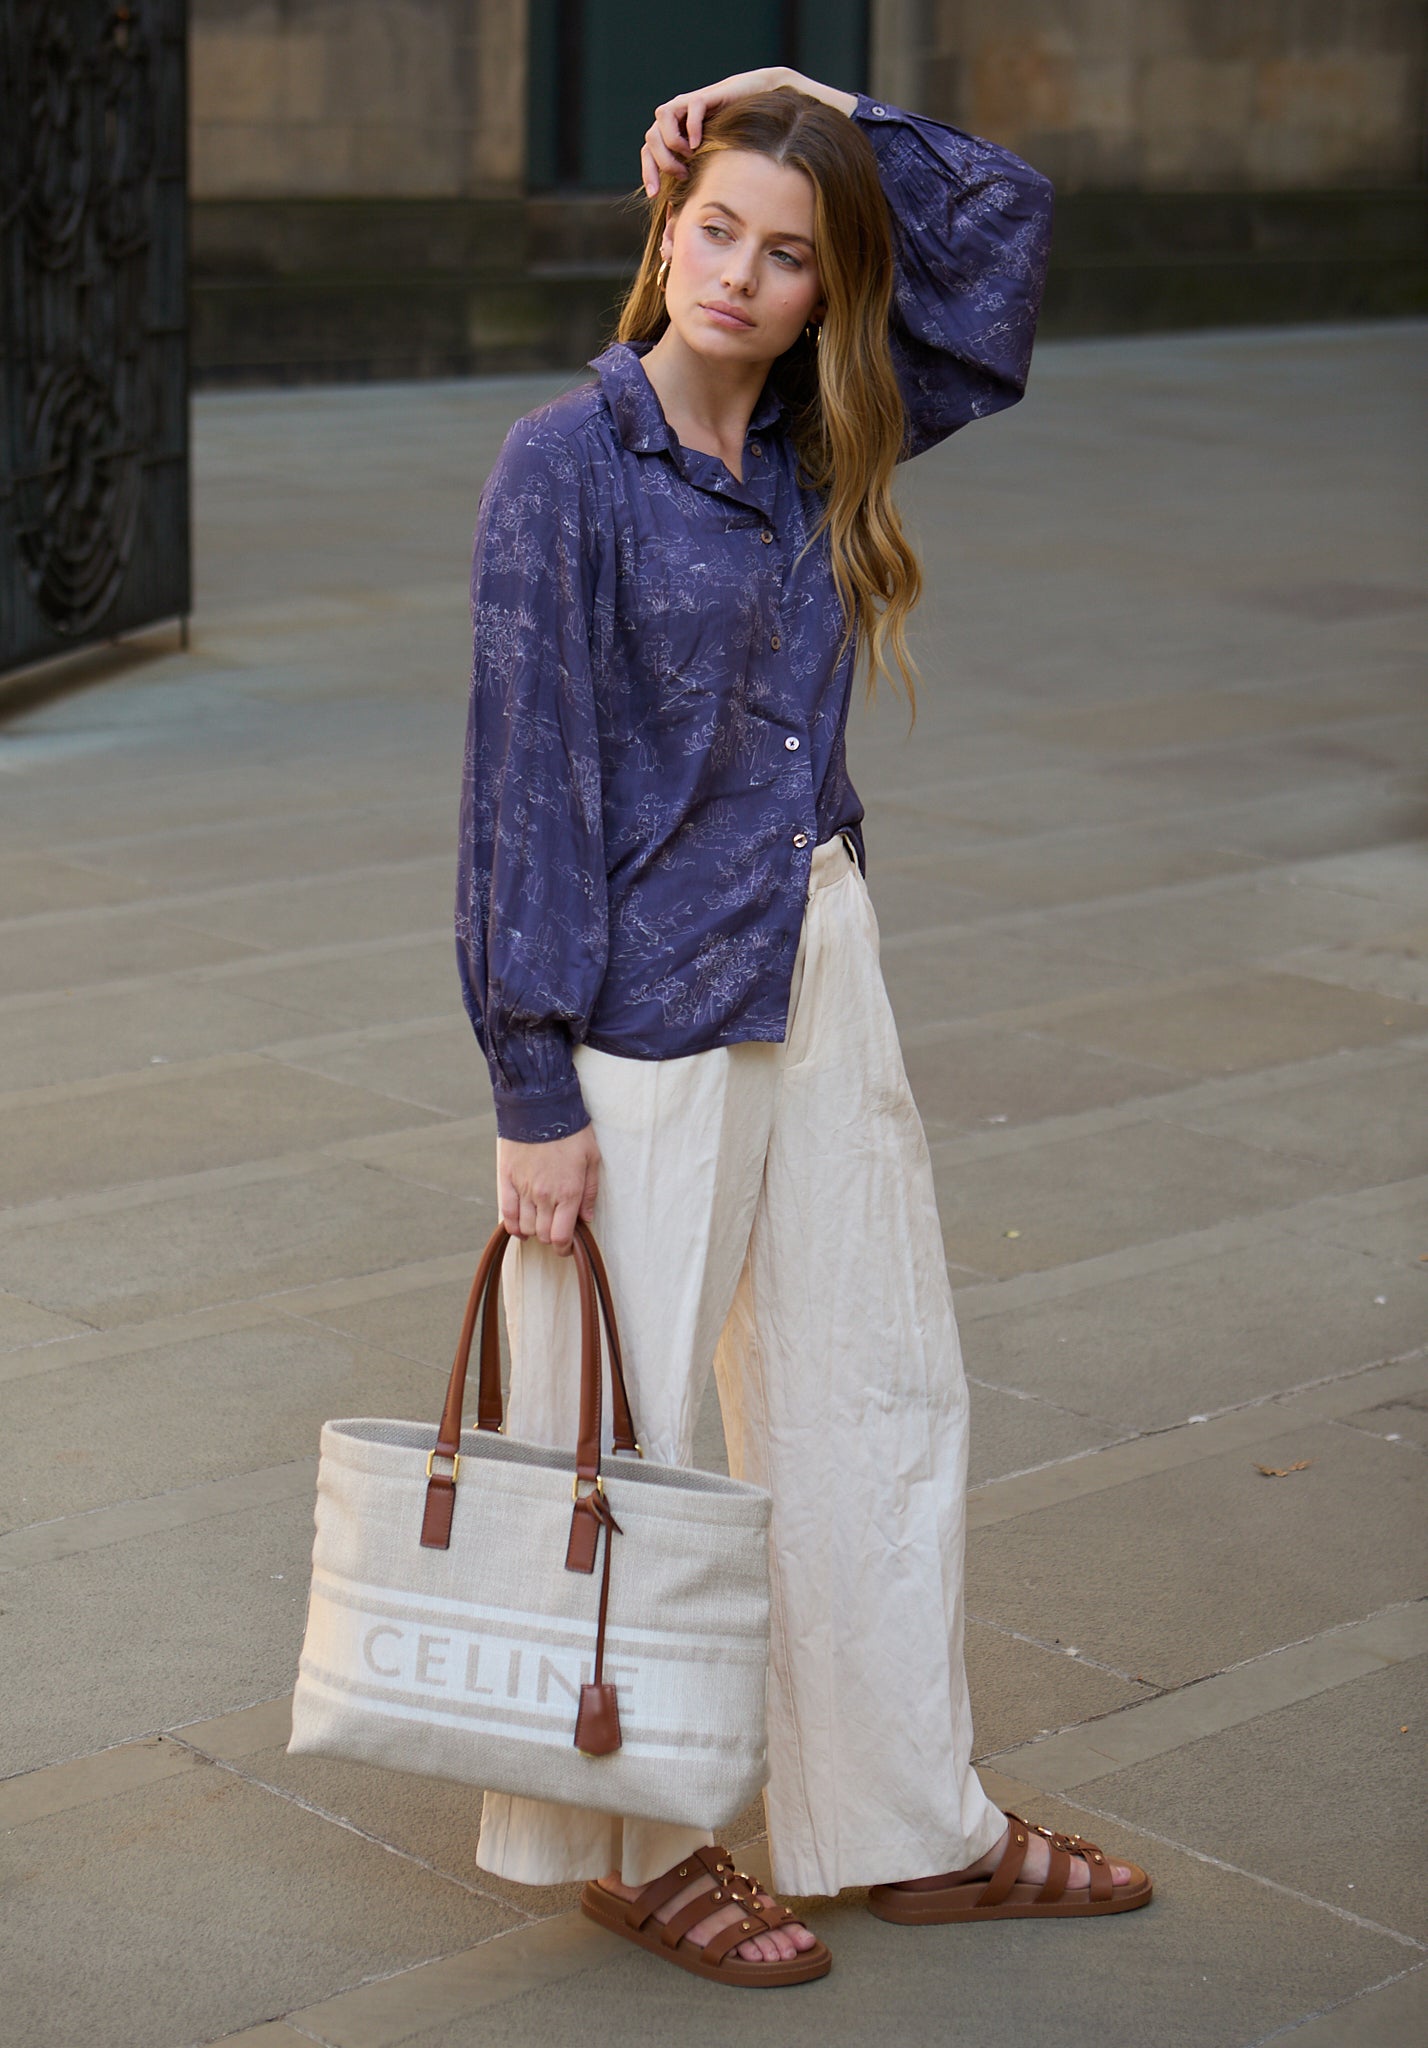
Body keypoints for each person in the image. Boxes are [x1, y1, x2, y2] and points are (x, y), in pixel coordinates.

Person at [455, 65, 1153, 1988]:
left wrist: (801, 99)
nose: (742, 279)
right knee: (632, 1433)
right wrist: (532, 1086)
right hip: (636, 1017)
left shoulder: (829, 442)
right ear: (662, 233)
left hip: (821, 958)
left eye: (791, 254)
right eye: (717, 233)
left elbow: (999, 233)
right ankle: (643, 1836)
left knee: (873, 1393)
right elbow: (526, 789)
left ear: (835, 288)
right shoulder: (565, 466)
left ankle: (907, 1823)